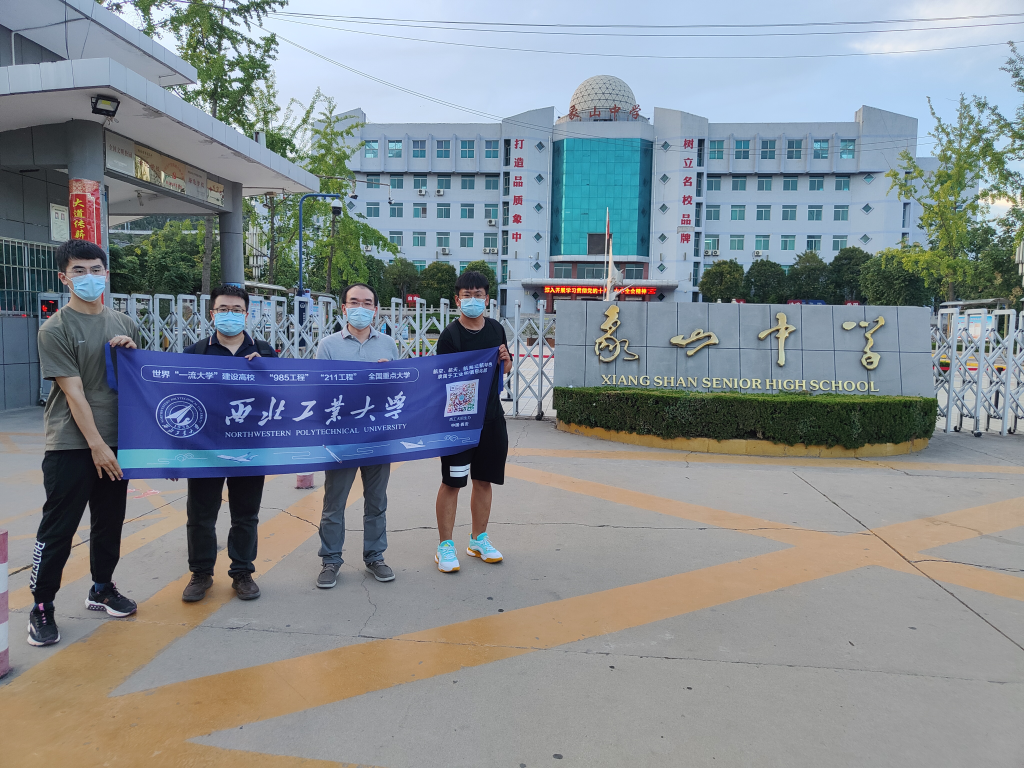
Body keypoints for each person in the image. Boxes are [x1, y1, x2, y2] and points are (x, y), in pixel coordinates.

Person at [28, 239, 140, 647]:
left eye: (95, 270)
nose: (88, 277)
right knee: (58, 529)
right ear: (64, 278)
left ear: (106, 274)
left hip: (118, 440)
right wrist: (96, 445)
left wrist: (131, 354)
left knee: (109, 522)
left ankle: (102, 587)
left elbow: (139, 382)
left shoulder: (124, 323)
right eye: (79, 271)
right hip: (72, 445)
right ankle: (42, 606)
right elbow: (73, 393)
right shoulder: (55, 329)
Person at [179, 285, 277, 603]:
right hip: (205, 448)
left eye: (236, 310)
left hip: (249, 447)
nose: (229, 315)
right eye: (223, 309)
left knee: (246, 514)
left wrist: (266, 371)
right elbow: (177, 399)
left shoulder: (265, 352)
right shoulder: (195, 353)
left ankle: (242, 572)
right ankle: (201, 573)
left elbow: (281, 399)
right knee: (201, 515)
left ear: (246, 315)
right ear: (212, 314)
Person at [314, 284, 400, 588]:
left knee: (376, 501)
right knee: (334, 503)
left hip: (378, 436)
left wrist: (389, 376)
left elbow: (398, 390)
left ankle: (375, 556)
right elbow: (319, 390)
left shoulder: (388, 344)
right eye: (354, 302)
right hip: (342, 437)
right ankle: (330, 560)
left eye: (367, 303)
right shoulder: (328, 346)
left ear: (375, 309)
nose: (360, 308)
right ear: (344, 308)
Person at [433, 271, 513, 573]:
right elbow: (444, 378)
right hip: (459, 423)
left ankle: (478, 539)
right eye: (467, 295)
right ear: (457, 300)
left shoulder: (496, 329)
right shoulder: (450, 336)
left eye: (478, 295)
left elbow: (504, 369)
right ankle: (445, 545)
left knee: (484, 480)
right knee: (452, 482)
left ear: (487, 299)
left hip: (491, 419)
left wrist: (506, 361)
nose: (473, 300)